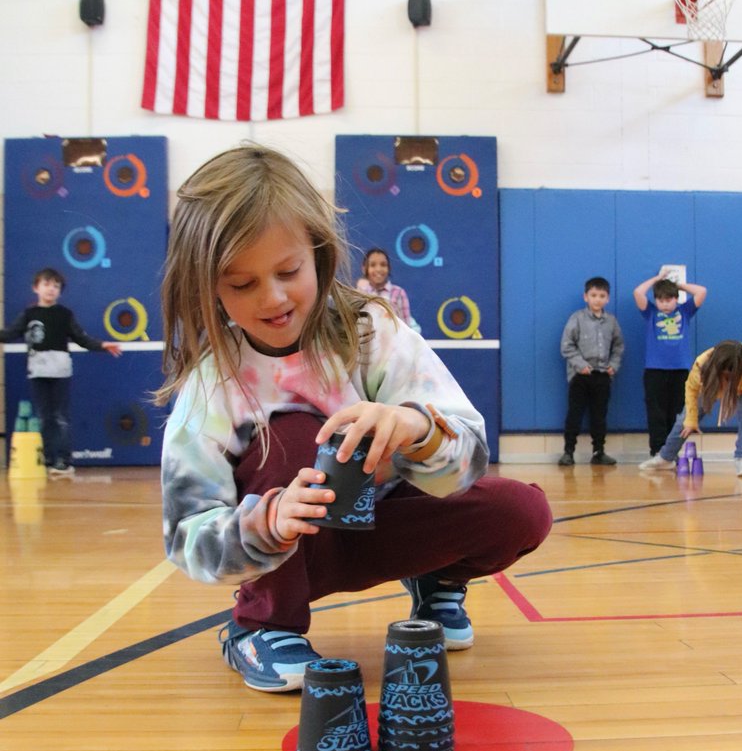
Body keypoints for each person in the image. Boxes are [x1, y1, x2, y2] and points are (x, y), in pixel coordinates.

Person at [157, 144, 553, 693]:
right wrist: (267, 524)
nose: (272, 297)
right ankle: (264, 622)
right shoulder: (213, 381)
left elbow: (468, 454)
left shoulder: (370, 330)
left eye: (288, 270)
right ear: (208, 287)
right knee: (292, 437)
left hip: (386, 529)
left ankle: (437, 578)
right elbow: (185, 537)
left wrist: (415, 429)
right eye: (241, 284)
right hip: (296, 553)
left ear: (317, 252)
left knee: (522, 511)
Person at [0, 266, 122, 476]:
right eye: (46, 284)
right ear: (36, 288)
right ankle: (47, 459)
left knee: (60, 416)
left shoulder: (64, 314)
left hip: (60, 371)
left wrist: (102, 345)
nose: (51, 289)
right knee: (44, 416)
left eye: (56, 286)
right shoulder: (30, 314)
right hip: (37, 371)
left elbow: (81, 338)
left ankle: (64, 461)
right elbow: (10, 333)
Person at [640, 340, 742, 477]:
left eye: (731, 375)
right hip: (710, 387)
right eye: (725, 375)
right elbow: (691, 390)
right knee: (685, 418)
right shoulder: (701, 364)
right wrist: (691, 419)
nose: (727, 379)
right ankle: (666, 457)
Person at [633, 272, 707, 457]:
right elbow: (638, 293)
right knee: (656, 412)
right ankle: (657, 451)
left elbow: (701, 292)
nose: (665, 303)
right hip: (655, 370)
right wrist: (657, 280)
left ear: (676, 299)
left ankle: (671, 451)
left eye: (669, 299)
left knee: (677, 413)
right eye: (660, 299)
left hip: (680, 371)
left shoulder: (684, 311)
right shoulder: (651, 313)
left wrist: (679, 285)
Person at [558, 276, 624, 467]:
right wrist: (580, 365)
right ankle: (568, 452)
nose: (597, 299)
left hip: (602, 375)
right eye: (593, 295)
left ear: (607, 299)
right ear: (585, 297)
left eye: (602, 295)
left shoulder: (611, 321)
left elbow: (619, 346)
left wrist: (614, 364)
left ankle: (599, 452)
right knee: (575, 414)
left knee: (599, 416)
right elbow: (567, 345)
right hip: (580, 376)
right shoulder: (576, 319)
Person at [356, 247, 418, 330]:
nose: (378, 269)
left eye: (383, 265)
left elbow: (406, 328)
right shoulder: (360, 294)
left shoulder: (399, 293)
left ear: (389, 268)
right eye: (373, 265)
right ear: (364, 269)